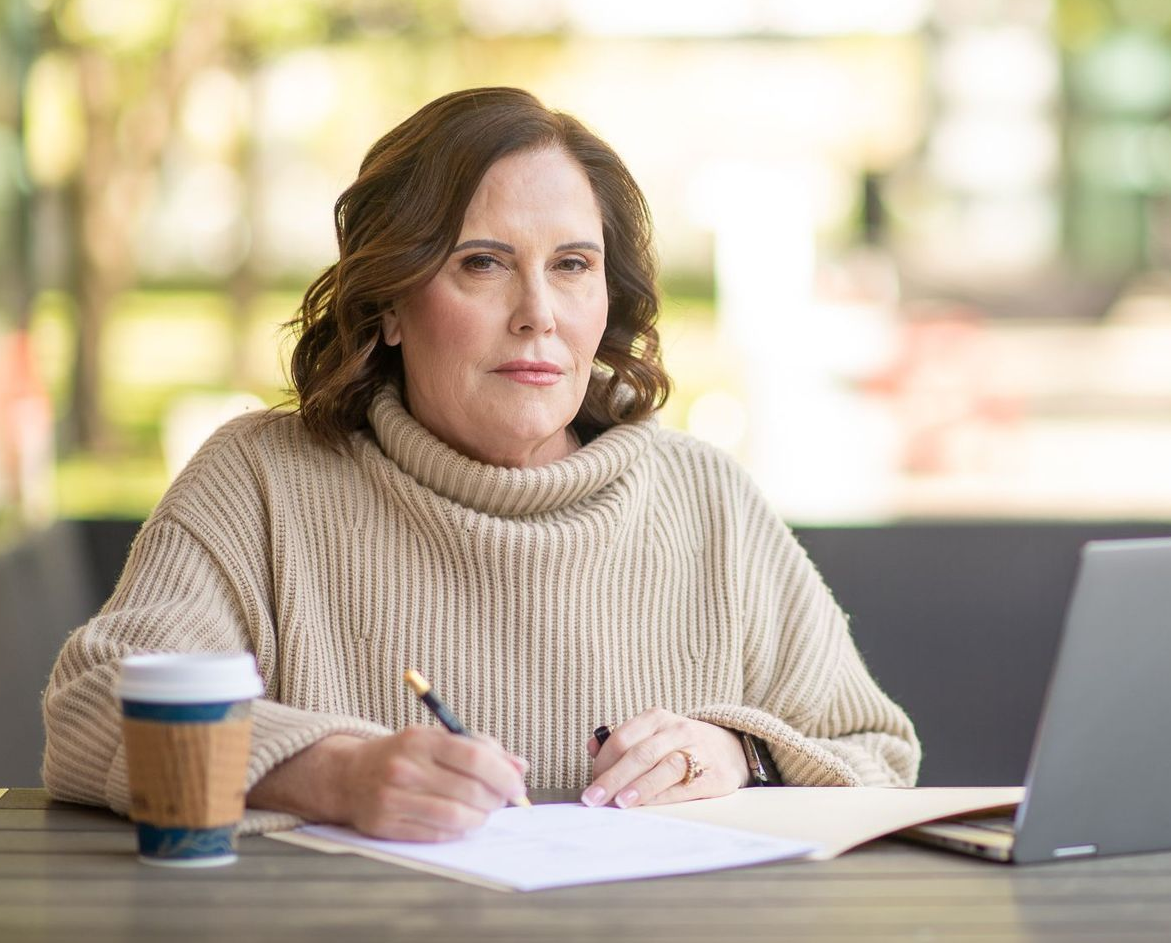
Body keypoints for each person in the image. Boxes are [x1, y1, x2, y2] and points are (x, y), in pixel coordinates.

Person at [41, 87, 920, 841]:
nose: (538, 312)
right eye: (482, 264)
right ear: (388, 301)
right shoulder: (262, 481)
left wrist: (738, 753)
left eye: (572, 264)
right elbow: (87, 714)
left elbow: (875, 751)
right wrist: (330, 775)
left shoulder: (705, 496)